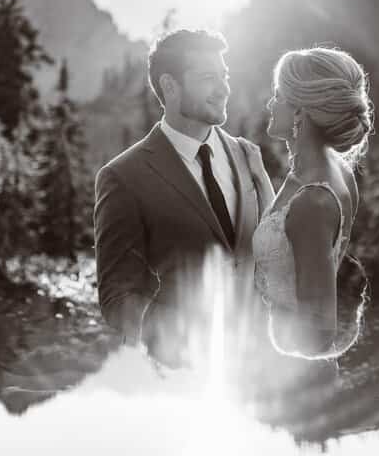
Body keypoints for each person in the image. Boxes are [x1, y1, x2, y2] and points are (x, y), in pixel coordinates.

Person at [94, 29, 275, 368]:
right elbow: (117, 296)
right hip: (180, 374)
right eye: (208, 78)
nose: (223, 89)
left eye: (224, 76)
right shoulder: (123, 176)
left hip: (256, 370)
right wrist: (179, 339)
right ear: (170, 86)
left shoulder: (246, 155)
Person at [252, 44, 373, 380]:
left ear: (300, 113)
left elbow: (317, 334)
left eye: (278, 95)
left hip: (287, 380)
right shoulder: (333, 170)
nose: (270, 103)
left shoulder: (313, 202)